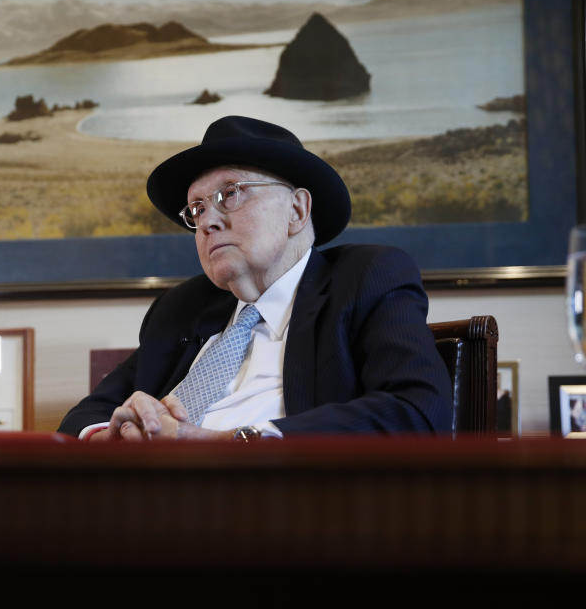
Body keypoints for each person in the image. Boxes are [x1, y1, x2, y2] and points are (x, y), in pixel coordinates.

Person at [57, 115, 452, 441]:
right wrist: (110, 434)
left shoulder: (365, 278)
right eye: (195, 209)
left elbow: (417, 409)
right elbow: (85, 416)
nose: (207, 220)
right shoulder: (181, 309)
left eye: (231, 193)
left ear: (297, 210)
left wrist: (227, 443)